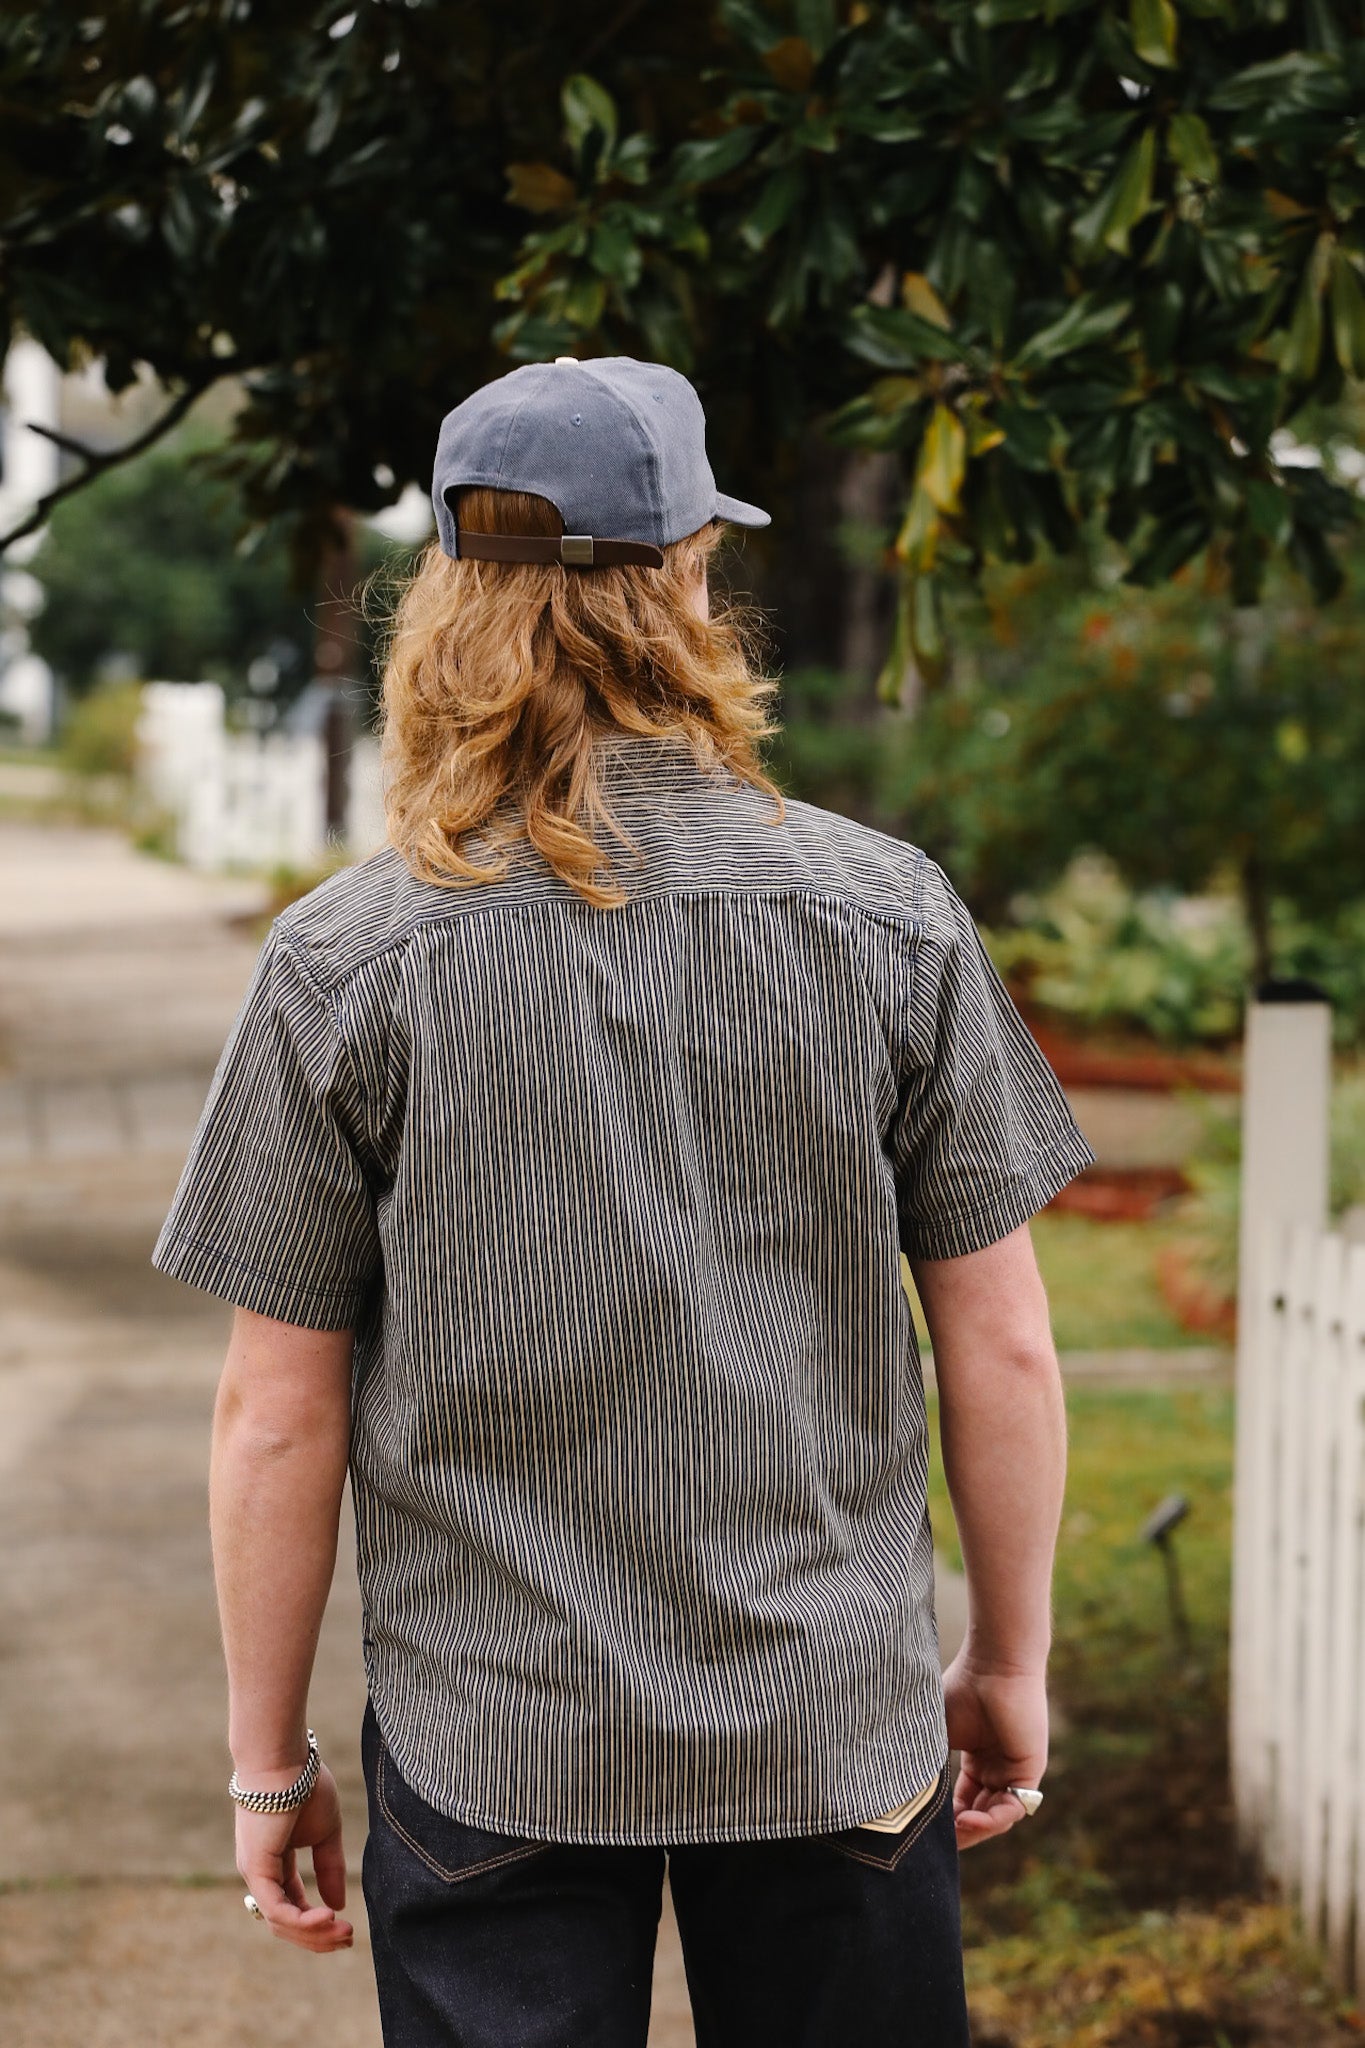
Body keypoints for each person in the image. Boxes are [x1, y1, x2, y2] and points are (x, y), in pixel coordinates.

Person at [152, 354, 1096, 2048]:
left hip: (491, 1743)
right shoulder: (886, 917)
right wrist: (1007, 1661)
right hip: (830, 1728)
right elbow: (1004, 1346)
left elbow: (274, 1417)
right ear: (685, 577)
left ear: (446, 595)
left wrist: (265, 1759)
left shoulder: (345, 963)